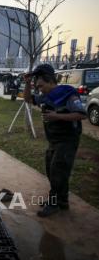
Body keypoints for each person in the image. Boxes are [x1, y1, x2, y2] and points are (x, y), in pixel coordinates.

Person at [23, 64, 86, 217]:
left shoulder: (67, 93)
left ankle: (54, 204)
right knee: (52, 171)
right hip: (54, 141)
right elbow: (28, 99)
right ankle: (62, 201)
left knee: (58, 171)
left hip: (67, 140)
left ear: (51, 81)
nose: (40, 89)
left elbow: (81, 114)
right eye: (37, 87)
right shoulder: (45, 96)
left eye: (41, 85)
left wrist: (56, 116)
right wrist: (27, 83)